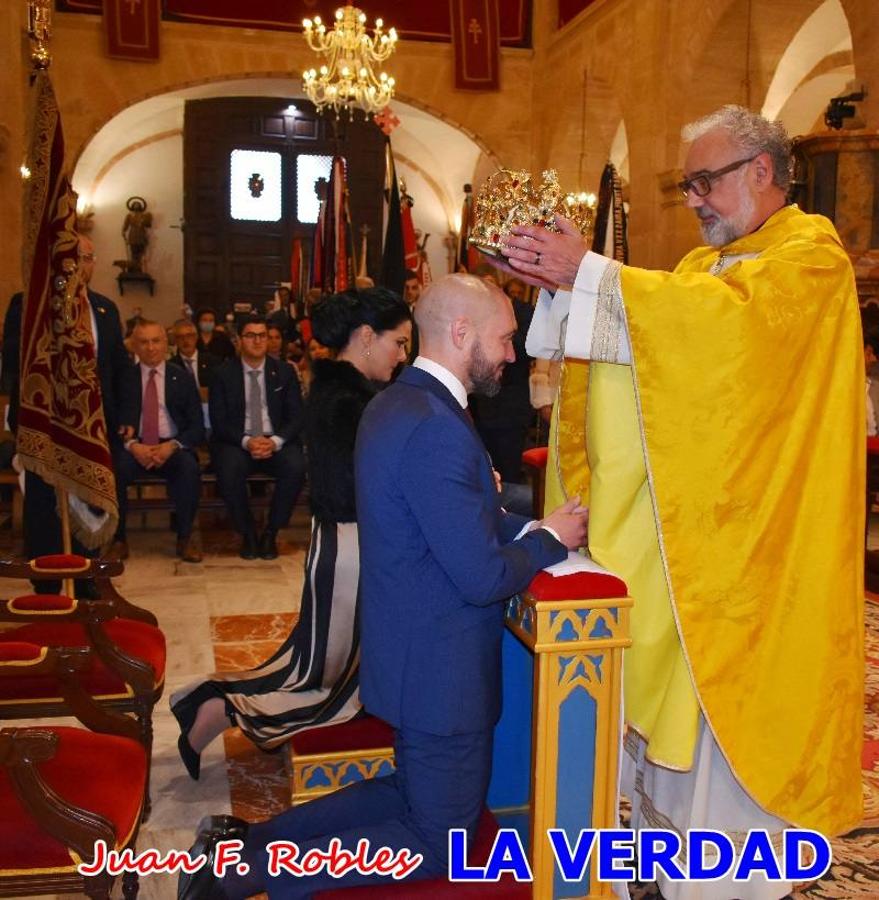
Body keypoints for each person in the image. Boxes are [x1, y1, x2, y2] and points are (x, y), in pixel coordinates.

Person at [501, 105, 863, 899]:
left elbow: (719, 342)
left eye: (706, 179)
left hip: (762, 548)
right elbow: (656, 338)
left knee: (731, 721)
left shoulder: (808, 260)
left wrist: (590, 273)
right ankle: (668, 859)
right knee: (670, 721)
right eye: (688, 182)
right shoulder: (707, 269)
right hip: (693, 540)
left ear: (762, 172)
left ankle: (733, 879)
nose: (694, 198)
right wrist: (571, 287)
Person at [178, 273, 588, 899]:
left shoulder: (401, 401)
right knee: (434, 838)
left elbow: (449, 515)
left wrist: (526, 521)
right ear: (461, 332)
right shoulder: (432, 423)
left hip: (412, 657)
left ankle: (240, 848)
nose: (513, 353)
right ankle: (240, 872)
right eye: (505, 338)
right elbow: (481, 575)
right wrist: (549, 540)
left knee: (406, 793)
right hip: (439, 670)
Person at [170, 289, 412, 776]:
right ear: (367, 338)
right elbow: (355, 486)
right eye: (399, 343)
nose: (403, 356)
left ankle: (209, 703)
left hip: (341, 545)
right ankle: (219, 711)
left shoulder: (343, 392)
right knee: (329, 686)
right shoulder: (349, 401)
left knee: (314, 666)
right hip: (351, 550)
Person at [3, 235, 130, 596]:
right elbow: (13, 359)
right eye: (75, 258)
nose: (82, 266)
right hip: (45, 428)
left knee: (91, 499)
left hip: (92, 429)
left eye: (88, 258)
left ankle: (87, 577)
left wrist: (126, 414)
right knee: (45, 507)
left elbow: (119, 367)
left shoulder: (105, 309)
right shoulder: (27, 304)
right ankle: (47, 585)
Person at [209, 315, 306, 560]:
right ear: (239, 340)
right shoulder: (223, 374)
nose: (257, 341)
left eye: (262, 335)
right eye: (250, 335)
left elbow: (296, 417)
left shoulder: (284, 372)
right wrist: (247, 441)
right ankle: (248, 533)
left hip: (275, 441)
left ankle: (271, 532)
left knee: (296, 466)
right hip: (238, 442)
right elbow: (219, 422)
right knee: (228, 467)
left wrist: (274, 442)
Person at [110, 321, 205, 563]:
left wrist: (172, 446)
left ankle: (185, 537)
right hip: (134, 446)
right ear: (134, 346)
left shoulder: (182, 378)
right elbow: (112, 423)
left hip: (171, 446)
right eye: (144, 342)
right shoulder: (123, 379)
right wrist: (132, 445)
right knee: (113, 470)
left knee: (189, 469)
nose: (151, 348)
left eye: (156, 341)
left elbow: (196, 427)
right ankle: (118, 540)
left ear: (166, 344)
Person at [471, 276, 534, 484]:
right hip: (480, 408)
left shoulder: (523, 312)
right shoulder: (474, 314)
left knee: (509, 476)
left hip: (511, 410)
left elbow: (528, 349)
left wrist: (499, 333)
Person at [170, 318, 221, 390]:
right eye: (180, 337)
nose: (185, 340)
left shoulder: (213, 362)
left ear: (196, 337)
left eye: (189, 335)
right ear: (175, 340)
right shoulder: (171, 366)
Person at [403, 268, 421, 359]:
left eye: (414, 288)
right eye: (406, 288)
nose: (410, 292)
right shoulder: (392, 314)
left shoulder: (421, 315)